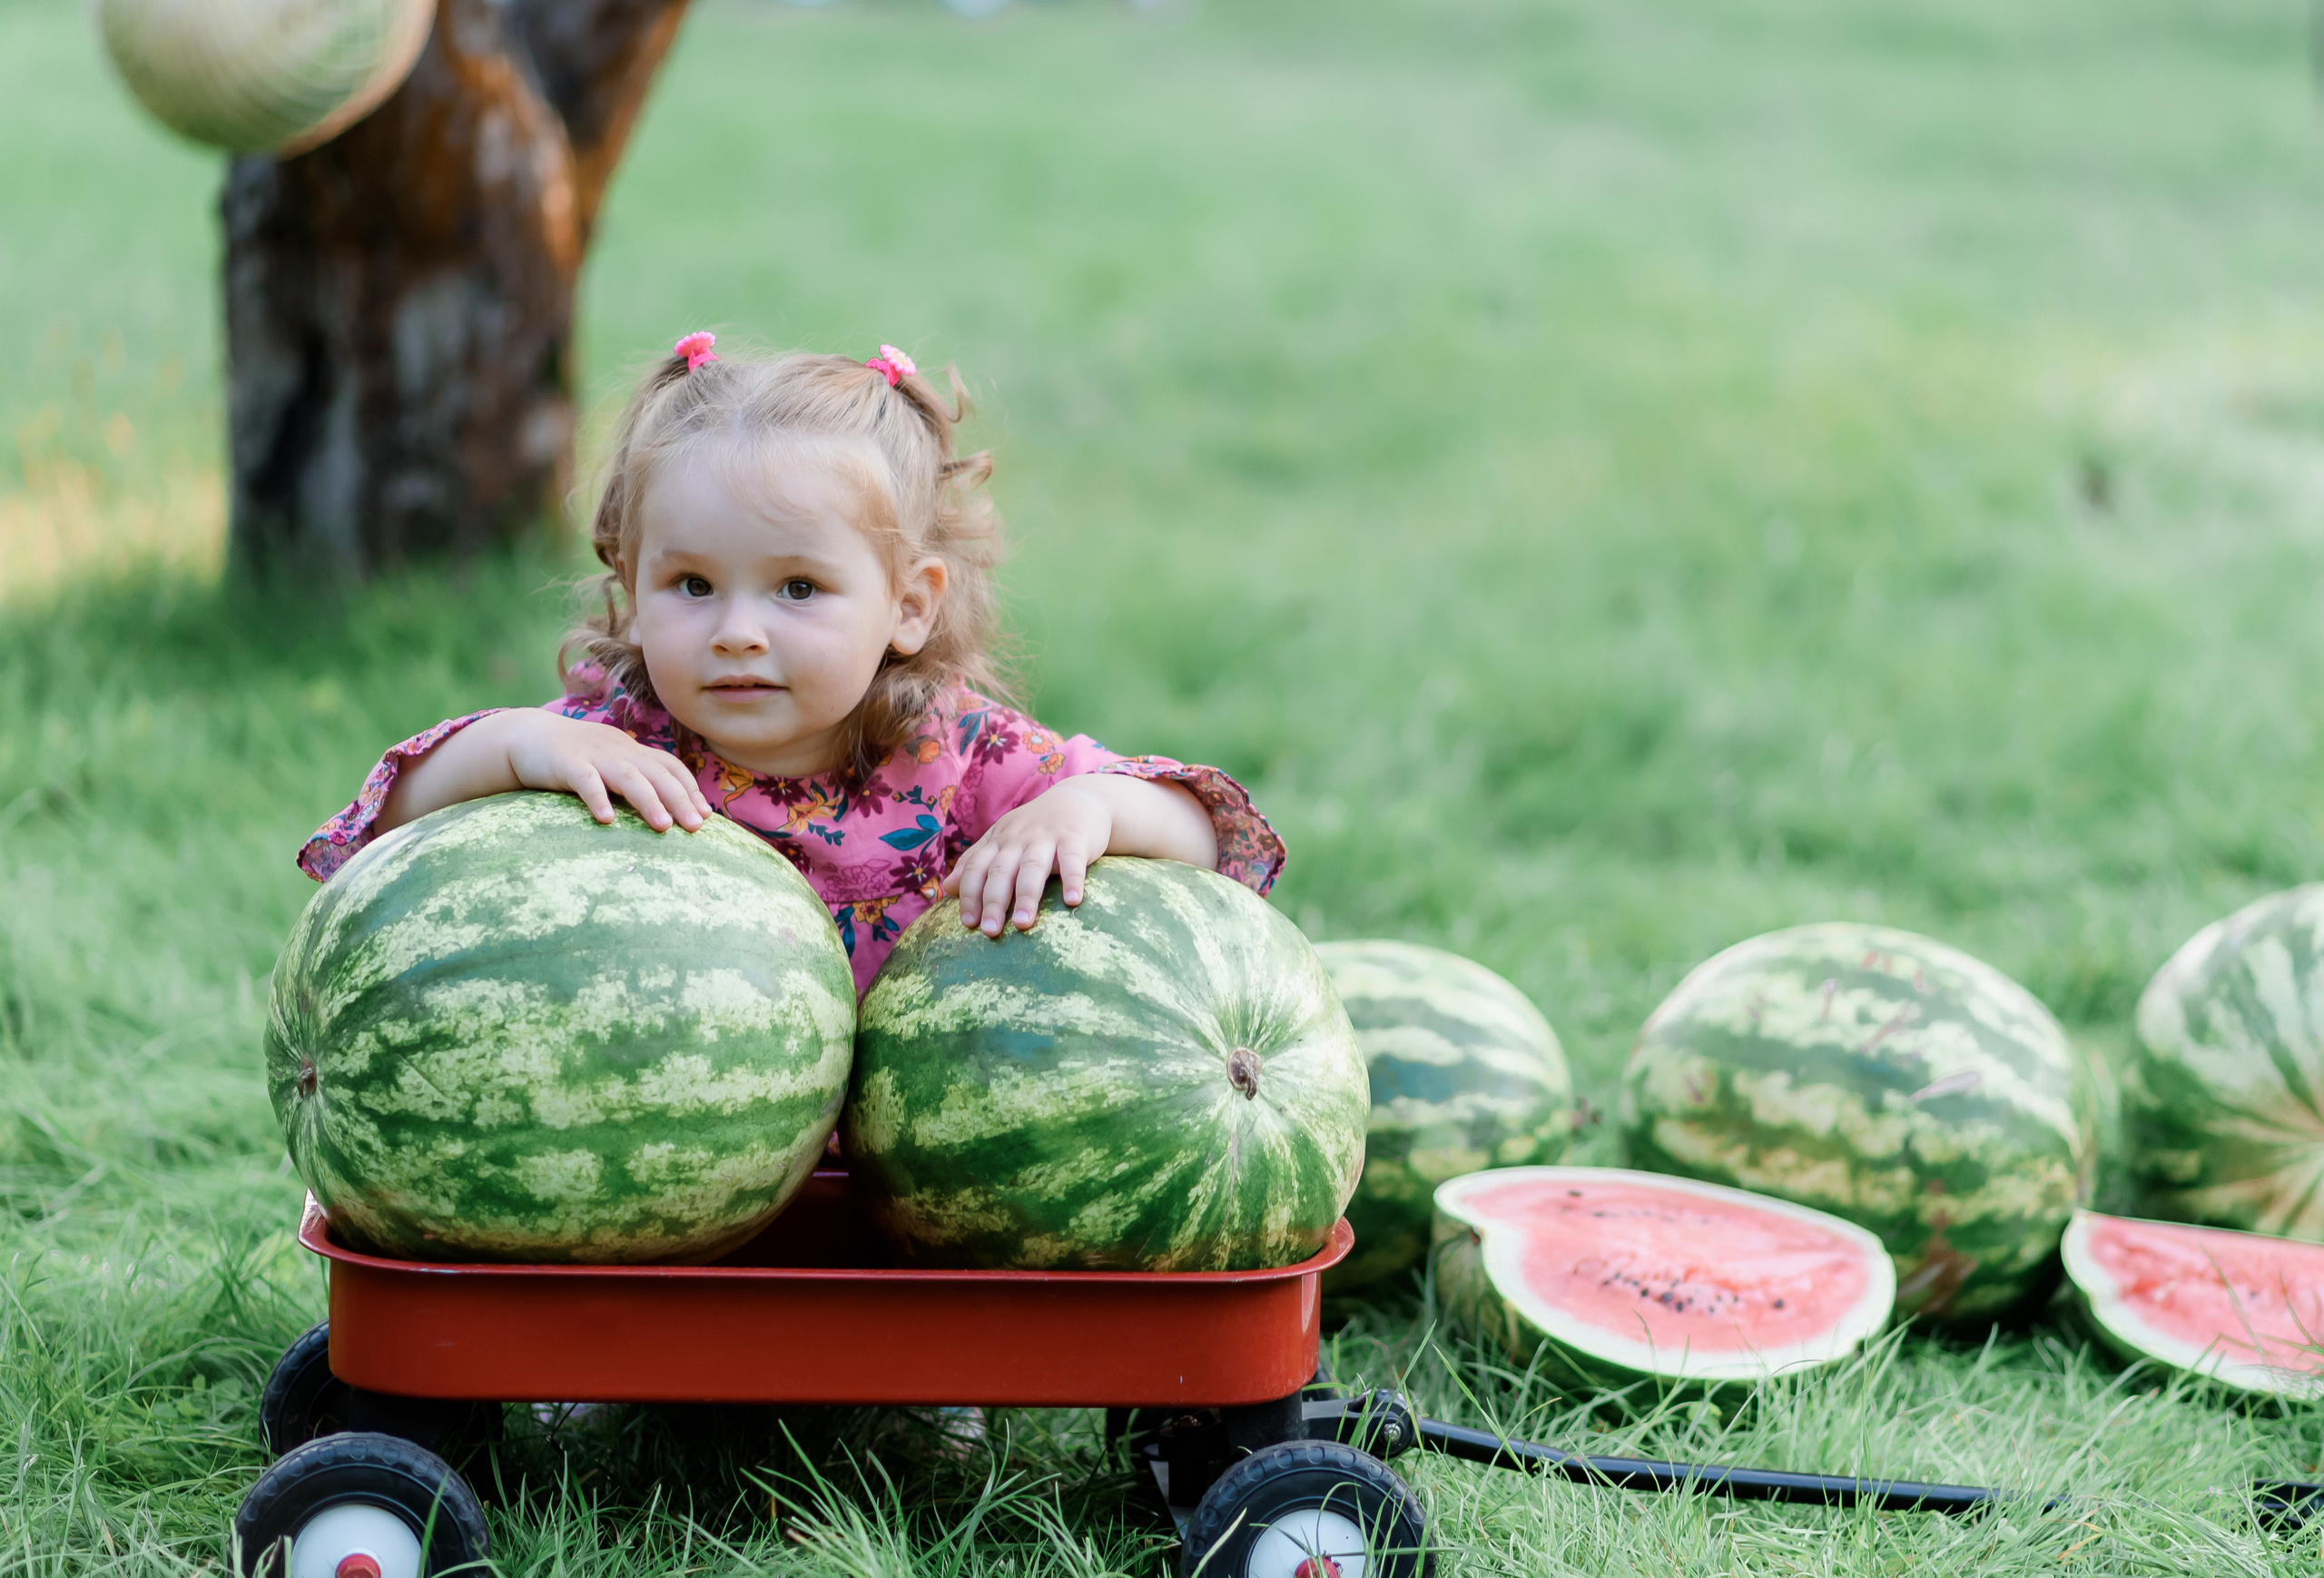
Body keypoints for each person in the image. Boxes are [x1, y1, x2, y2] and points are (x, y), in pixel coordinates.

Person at [299, 333, 1284, 994]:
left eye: (798, 590)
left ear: (908, 605)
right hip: (669, 1153)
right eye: (689, 584)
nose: (736, 631)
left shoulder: (954, 754)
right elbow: (380, 837)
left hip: (908, 1173)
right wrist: (512, 746)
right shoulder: (620, 747)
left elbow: (1203, 839)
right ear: (631, 593)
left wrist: (1091, 810)